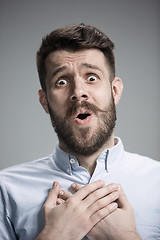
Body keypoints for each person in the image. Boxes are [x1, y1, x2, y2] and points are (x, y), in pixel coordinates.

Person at [0, 23, 160, 240]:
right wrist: (54, 235)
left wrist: (126, 236)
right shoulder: (5, 190)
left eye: (91, 77)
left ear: (114, 91)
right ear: (45, 101)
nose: (78, 92)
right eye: (62, 81)